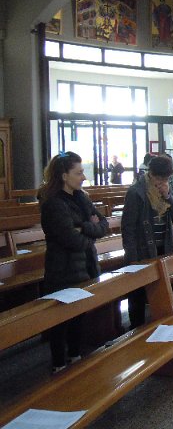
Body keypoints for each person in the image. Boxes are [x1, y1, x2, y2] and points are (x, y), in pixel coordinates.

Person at [39, 151, 109, 372]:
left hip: (85, 266)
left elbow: (104, 225)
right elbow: (71, 239)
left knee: (79, 313)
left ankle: (75, 356)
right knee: (61, 319)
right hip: (62, 269)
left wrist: (84, 228)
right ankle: (59, 364)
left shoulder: (81, 197)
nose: (84, 177)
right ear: (64, 176)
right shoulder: (53, 203)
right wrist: (90, 230)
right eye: (78, 173)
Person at [122, 155, 173, 328]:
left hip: (164, 246)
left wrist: (168, 195)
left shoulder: (165, 190)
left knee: (161, 288)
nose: (162, 182)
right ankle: (136, 328)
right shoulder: (136, 192)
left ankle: (162, 323)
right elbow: (128, 227)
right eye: (159, 178)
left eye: (166, 179)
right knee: (138, 293)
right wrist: (132, 257)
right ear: (151, 174)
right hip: (143, 249)